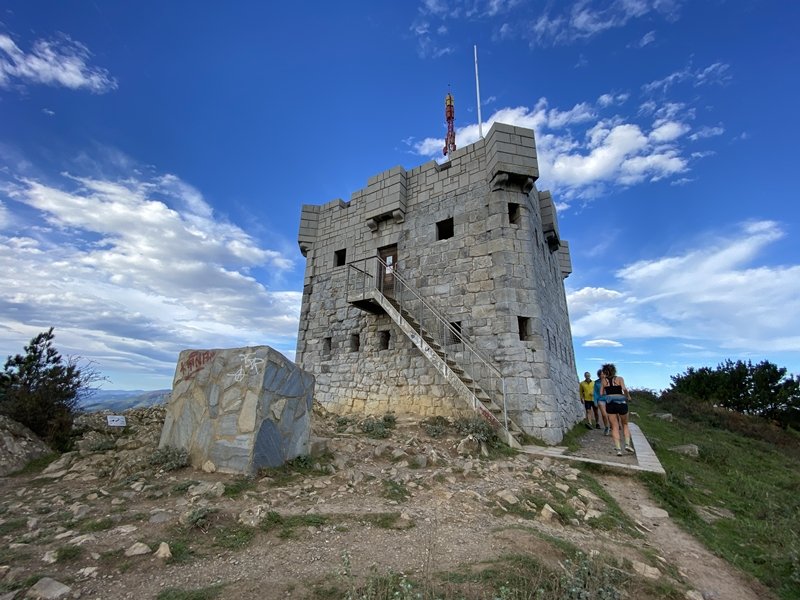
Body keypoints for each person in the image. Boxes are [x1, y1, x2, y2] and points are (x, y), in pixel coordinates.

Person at [600, 363, 634, 456]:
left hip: (610, 404)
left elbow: (601, 393)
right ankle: (627, 444)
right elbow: (624, 389)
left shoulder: (603, 381)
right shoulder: (619, 379)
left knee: (614, 427)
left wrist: (609, 394)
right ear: (614, 371)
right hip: (621, 403)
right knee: (625, 424)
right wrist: (628, 397)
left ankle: (618, 449)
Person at [593, 369, 610, 436]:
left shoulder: (609, 381)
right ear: (599, 375)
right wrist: (595, 401)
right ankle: (606, 427)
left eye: (604, 374)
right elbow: (595, 393)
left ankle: (613, 426)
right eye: (601, 374)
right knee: (604, 414)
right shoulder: (596, 383)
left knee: (610, 415)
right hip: (600, 400)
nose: (603, 375)